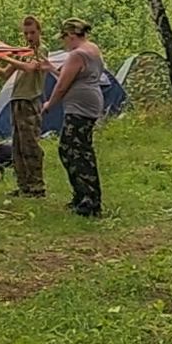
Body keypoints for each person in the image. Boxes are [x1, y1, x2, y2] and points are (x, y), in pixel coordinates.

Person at [0, 16, 50, 198]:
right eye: (26, 33)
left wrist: (5, 56)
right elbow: (5, 74)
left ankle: (37, 186)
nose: (29, 36)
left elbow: (29, 68)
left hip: (30, 100)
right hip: (17, 100)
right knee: (18, 145)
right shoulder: (23, 52)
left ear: (39, 32)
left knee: (31, 144)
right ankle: (23, 185)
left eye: (32, 32)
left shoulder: (41, 50)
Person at [42, 18, 104, 217]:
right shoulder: (92, 49)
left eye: (64, 39)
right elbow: (70, 75)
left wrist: (49, 105)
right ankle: (85, 196)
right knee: (79, 149)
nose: (63, 44)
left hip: (80, 108)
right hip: (90, 103)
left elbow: (62, 85)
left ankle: (87, 200)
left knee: (72, 151)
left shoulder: (77, 54)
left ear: (70, 35)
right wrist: (51, 68)